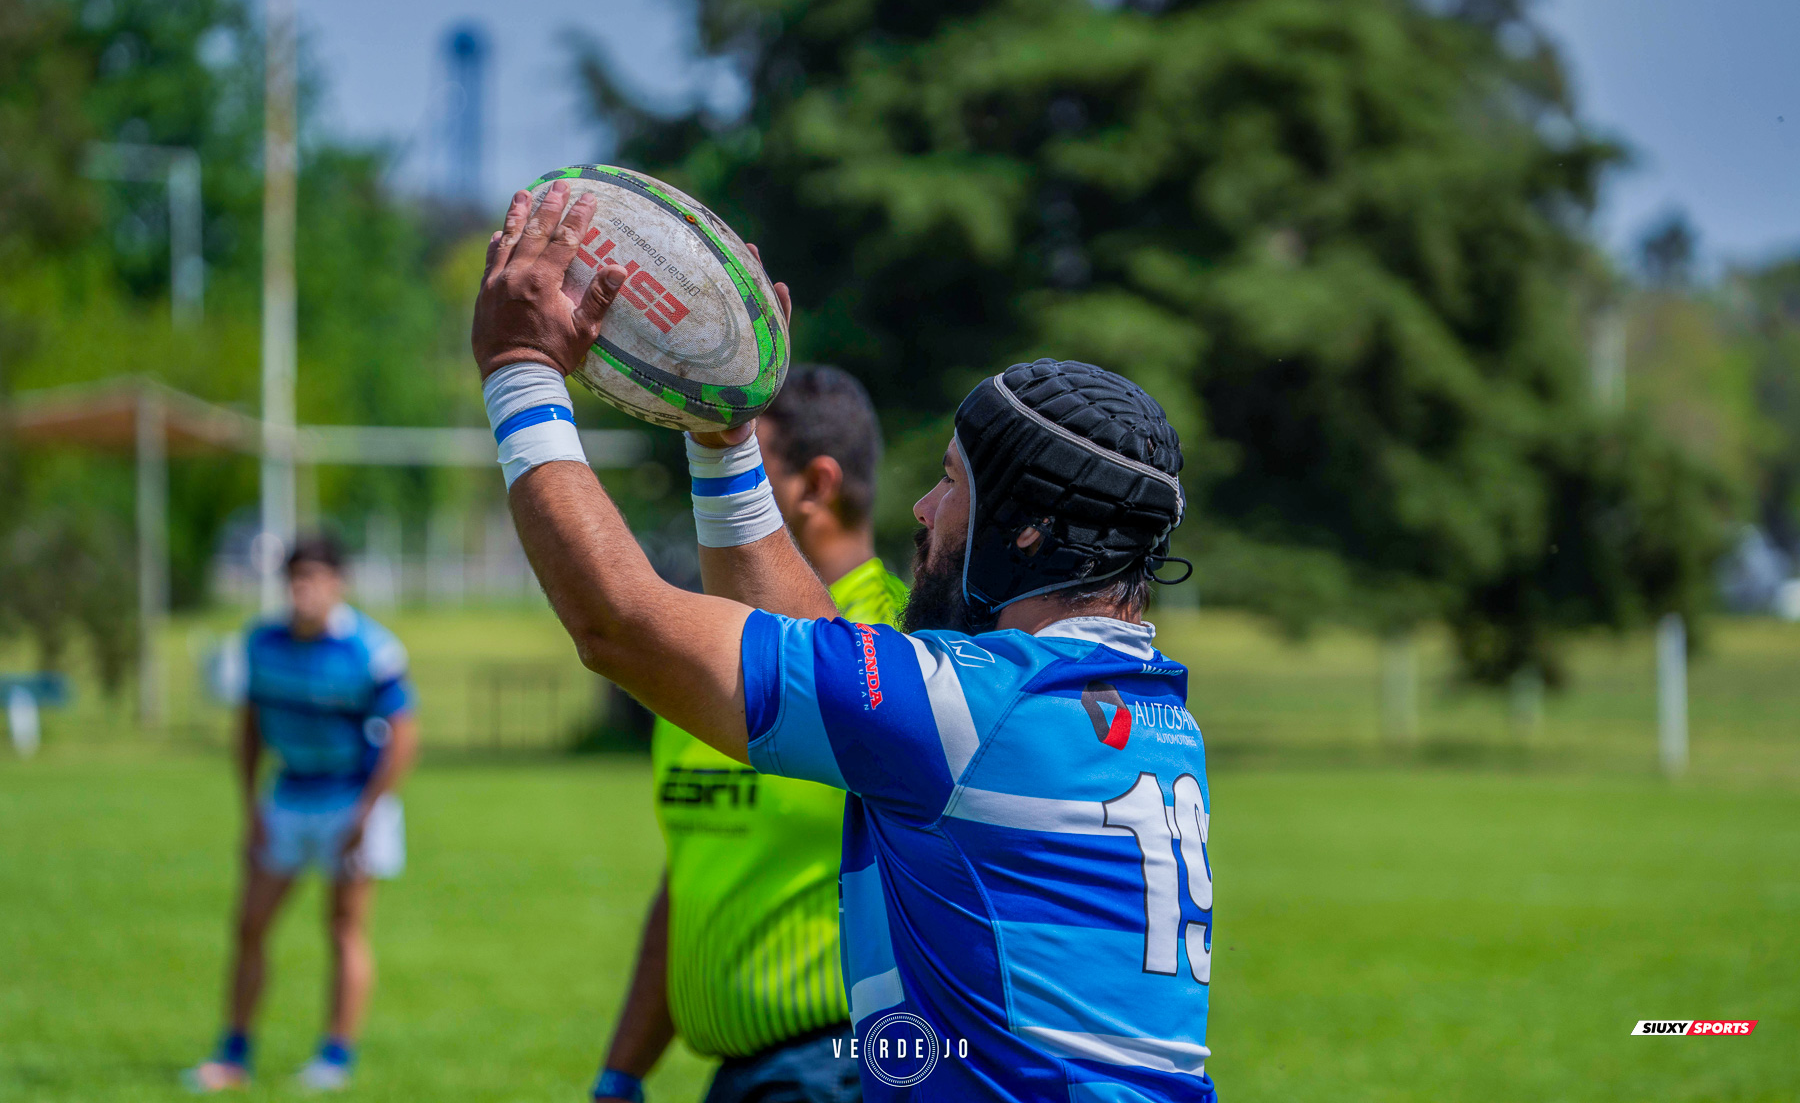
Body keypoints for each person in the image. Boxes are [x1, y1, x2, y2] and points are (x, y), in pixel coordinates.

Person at [475, 183, 1212, 1101]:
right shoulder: (1143, 705)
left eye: (952, 485)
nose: (924, 511)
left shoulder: (978, 711)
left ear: (1025, 533)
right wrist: (725, 432)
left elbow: (621, 626)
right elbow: (812, 644)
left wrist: (519, 369)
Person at [591, 366, 907, 1103]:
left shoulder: (902, 645)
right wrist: (622, 1072)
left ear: (814, 485)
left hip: (845, 1068)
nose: (711, 479)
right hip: (741, 1077)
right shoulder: (717, 642)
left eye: (738, 457)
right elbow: (696, 875)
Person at [185, 535, 419, 1093]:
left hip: (352, 799)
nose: (303, 589)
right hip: (287, 798)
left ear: (339, 583)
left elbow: (403, 739)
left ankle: (334, 1057)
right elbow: (249, 728)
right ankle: (233, 1054)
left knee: (342, 929)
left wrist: (367, 814)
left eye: (314, 577)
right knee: (249, 926)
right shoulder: (261, 642)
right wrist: (251, 808)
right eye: (294, 578)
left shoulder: (372, 649)